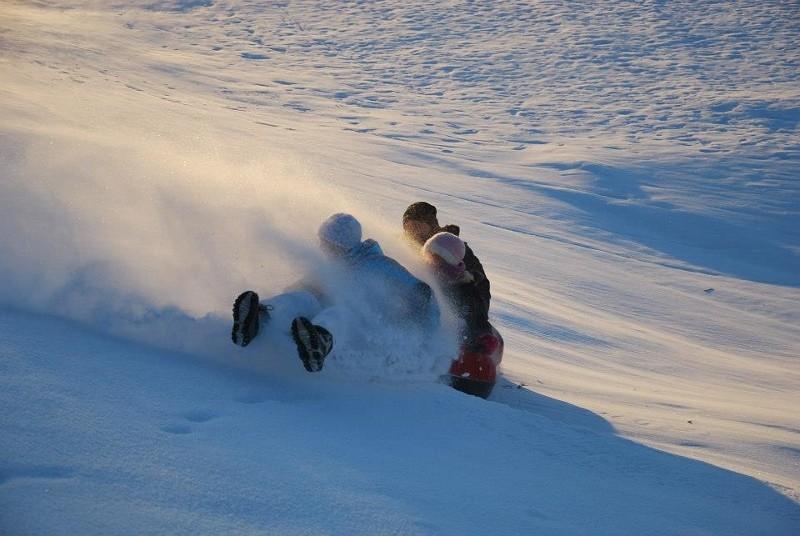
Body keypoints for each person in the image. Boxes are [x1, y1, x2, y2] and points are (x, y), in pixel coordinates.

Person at [231, 213, 439, 373]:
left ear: (344, 245)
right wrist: (289, 299)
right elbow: (303, 288)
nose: (322, 247)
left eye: (328, 244)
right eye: (322, 241)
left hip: (365, 328)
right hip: (317, 317)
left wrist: (418, 331)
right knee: (303, 297)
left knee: (340, 313)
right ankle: (260, 318)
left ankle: (319, 344)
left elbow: (422, 293)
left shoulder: (379, 266)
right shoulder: (331, 266)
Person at [421, 231, 503, 399]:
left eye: (435, 258)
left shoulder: (464, 290)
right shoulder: (421, 275)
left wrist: (481, 338)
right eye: (428, 256)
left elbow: (476, 321)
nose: (429, 261)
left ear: (447, 261)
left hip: (459, 350)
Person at [402, 202, 490, 313]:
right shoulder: (402, 247)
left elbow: (481, 288)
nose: (414, 232)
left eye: (418, 226)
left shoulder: (454, 248)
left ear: (430, 226)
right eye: (409, 227)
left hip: (451, 312)